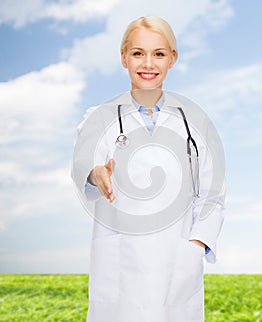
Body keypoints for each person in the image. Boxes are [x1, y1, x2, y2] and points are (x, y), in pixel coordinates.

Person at [72, 16, 225, 322]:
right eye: (138, 53)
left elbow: (212, 196)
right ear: (124, 58)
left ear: (172, 59)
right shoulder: (99, 117)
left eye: (159, 54)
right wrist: (97, 174)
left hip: (177, 262)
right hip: (119, 264)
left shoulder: (195, 123)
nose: (148, 63)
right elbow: (82, 162)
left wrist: (195, 246)